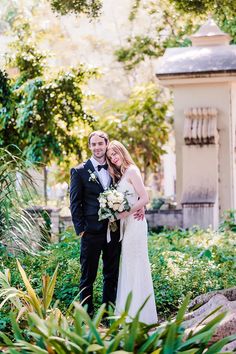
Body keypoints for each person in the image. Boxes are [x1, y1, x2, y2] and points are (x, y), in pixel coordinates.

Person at [70, 131, 144, 318]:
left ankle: (108, 314)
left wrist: (141, 207)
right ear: (89, 146)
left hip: (115, 230)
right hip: (91, 233)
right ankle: (86, 316)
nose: (97, 147)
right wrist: (81, 230)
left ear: (106, 144)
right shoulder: (79, 171)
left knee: (111, 274)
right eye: (93, 144)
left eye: (100, 144)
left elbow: (133, 192)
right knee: (88, 277)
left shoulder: (116, 169)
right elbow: (74, 203)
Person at [106, 140, 158, 324]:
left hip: (135, 224)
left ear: (122, 152)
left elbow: (145, 197)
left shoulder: (133, 170)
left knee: (137, 264)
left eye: (115, 154)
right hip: (127, 223)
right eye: (110, 156)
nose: (113, 158)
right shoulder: (121, 174)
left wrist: (123, 214)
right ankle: (129, 312)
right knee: (128, 264)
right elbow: (136, 198)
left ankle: (141, 315)